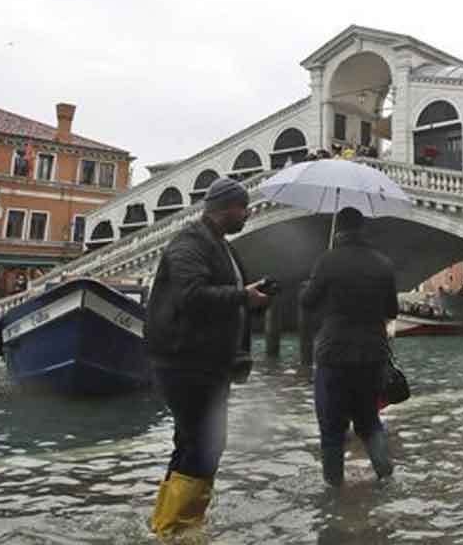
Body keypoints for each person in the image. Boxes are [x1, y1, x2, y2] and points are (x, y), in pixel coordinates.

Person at [144, 177, 270, 536]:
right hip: (185, 362)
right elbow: (191, 296)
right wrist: (243, 296)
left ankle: (168, 526)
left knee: (192, 442)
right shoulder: (189, 243)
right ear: (227, 208)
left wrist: (254, 298)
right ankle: (179, 530)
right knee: (205, 443)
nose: (247, 214)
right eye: (243, 208)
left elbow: (226, 298)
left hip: (208, 364)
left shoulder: (220, 246)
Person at [301, 206, 399, 487]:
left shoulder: (327, 261)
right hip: (372, 353)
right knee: (369, 422)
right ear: (362, 229)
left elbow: (307, 303)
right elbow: (391, 310)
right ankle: (387, 478)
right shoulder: (382, 264)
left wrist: (312, 283)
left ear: (339, 230)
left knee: (331, 428)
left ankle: (333, 490)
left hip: (334, 353)